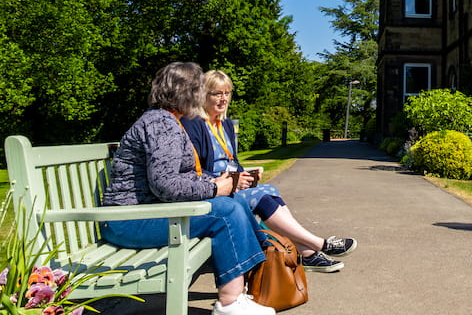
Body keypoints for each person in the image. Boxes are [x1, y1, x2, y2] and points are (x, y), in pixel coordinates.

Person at [101, 62, 275, 315]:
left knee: (233, 203)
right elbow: (166, 185)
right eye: (200, 90)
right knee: (225, 211)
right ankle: (230, 303)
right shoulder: (161, 124)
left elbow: (179, 176)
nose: (202, 97)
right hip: (127, 220)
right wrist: (216, 190)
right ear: (188, 93)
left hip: (146, 214)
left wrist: (216, 182)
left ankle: (242, 290)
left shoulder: (168, 120)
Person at [182, 69, 357, 273]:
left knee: (269, 189)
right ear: (203, 95)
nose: (223, 99)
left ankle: (307, 252)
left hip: (232, 184)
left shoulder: (225, 124)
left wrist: (245, 174)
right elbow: (193, 170)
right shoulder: (194, 124)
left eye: (227, 93)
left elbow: (233, 161)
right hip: (214, 190)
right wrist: (227, 181)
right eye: (217, 94)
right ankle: (319, 245)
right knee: (262, 197)